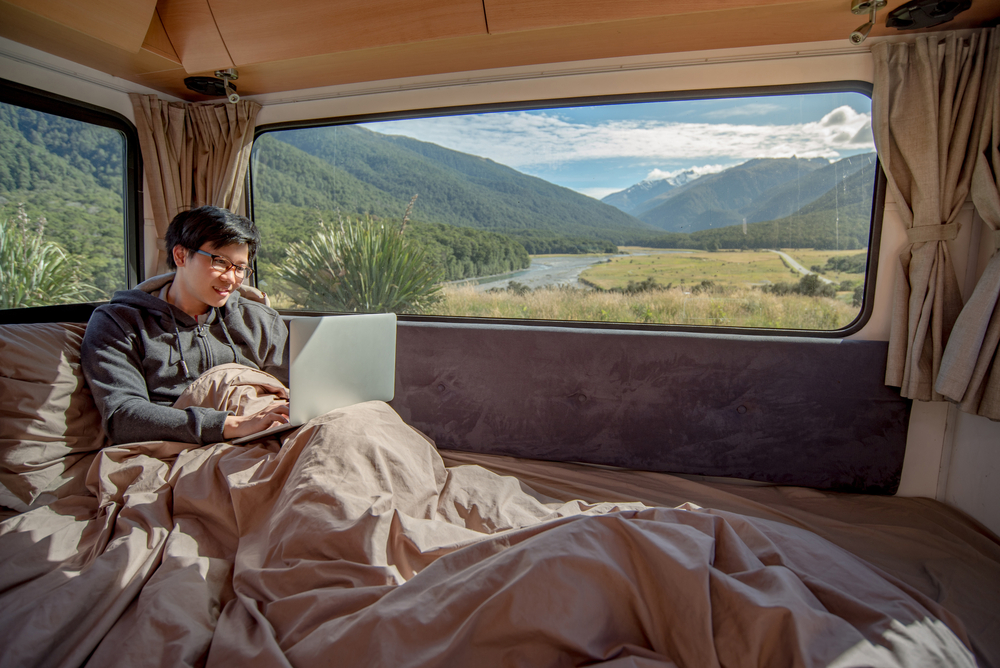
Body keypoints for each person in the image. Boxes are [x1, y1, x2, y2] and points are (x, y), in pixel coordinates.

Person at [82, 206, 291, 445]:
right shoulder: (120, 323)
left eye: (240, 268)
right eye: (220, 261)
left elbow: (292, 393)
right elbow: (122, 416)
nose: (231, 278)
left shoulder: (259, 319)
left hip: (269, 436)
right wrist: (230, 425)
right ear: (181, 256)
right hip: (182, 448)